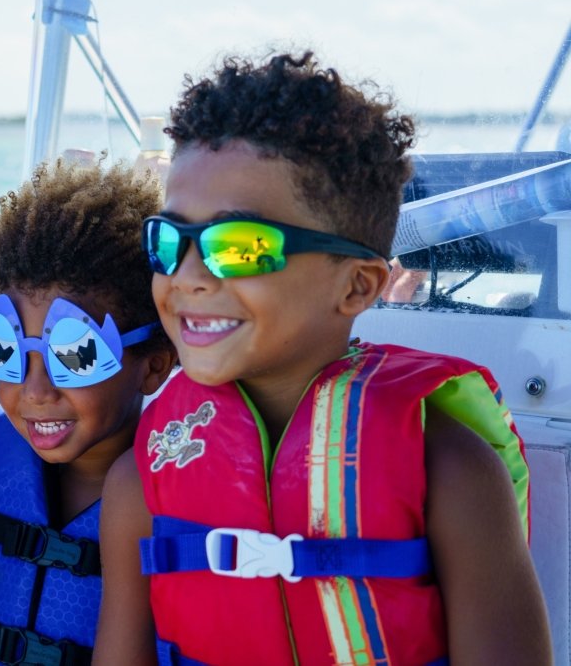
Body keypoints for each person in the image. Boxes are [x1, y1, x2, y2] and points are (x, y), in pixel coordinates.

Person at [94, 52, 551, 665]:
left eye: (243, 247)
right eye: (168, 240)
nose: (188, 276)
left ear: (358, 287)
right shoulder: (140, 483)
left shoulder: (454, 475)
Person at [0, 160, 176, 666]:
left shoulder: (158, 499)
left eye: (76, 355)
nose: (36, 390)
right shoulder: (4, 454)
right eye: (3, 349)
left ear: (153, 367)